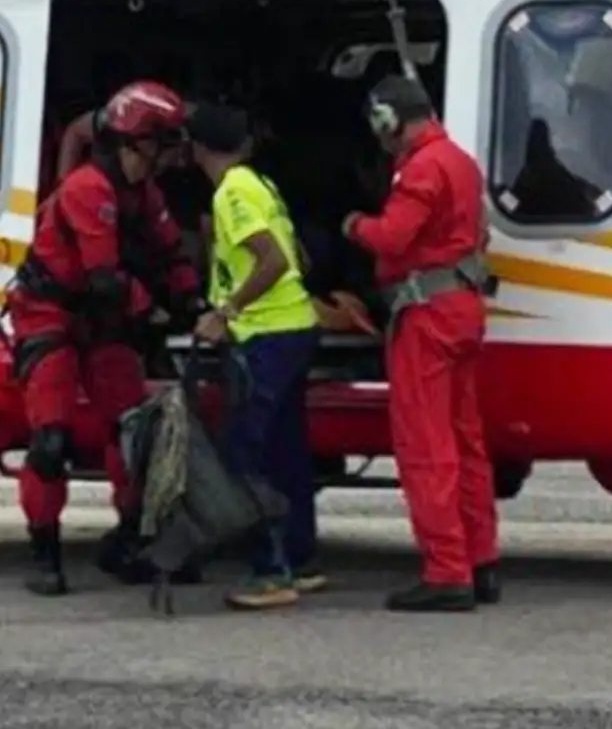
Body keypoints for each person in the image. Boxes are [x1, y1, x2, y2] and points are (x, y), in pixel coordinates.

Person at [3, 79, 205, 596]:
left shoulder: (142, 192)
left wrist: (193, 302)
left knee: (132, 431)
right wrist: (156, 310)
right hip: (51, 315)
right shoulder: (88, 190)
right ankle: (43, 550)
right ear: (138, 140)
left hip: (103, 319)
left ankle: (130, 539)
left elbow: (169, 252)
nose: (171, 153)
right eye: (164, 142)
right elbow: (105, 279)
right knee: (51, 441)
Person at [340, 75, 500, 613]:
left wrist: (353, 224)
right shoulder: (460, 161)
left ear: (388, 120)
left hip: (426, 316)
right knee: (465, 440)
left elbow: (393, 237)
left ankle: (446, 571)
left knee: (425, 446)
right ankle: (481, 561)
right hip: (463, 308)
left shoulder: (422, 168)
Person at [186, 102, 325, 610]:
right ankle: (300, 557)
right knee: (288, 450)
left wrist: (225, 312)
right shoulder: (262, 184)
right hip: (296, 328)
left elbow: (274, 258)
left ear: (197, 148)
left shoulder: (231, 193)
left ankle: (269, 572)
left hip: (265, 335)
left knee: (246, 451)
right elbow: (301, 258)